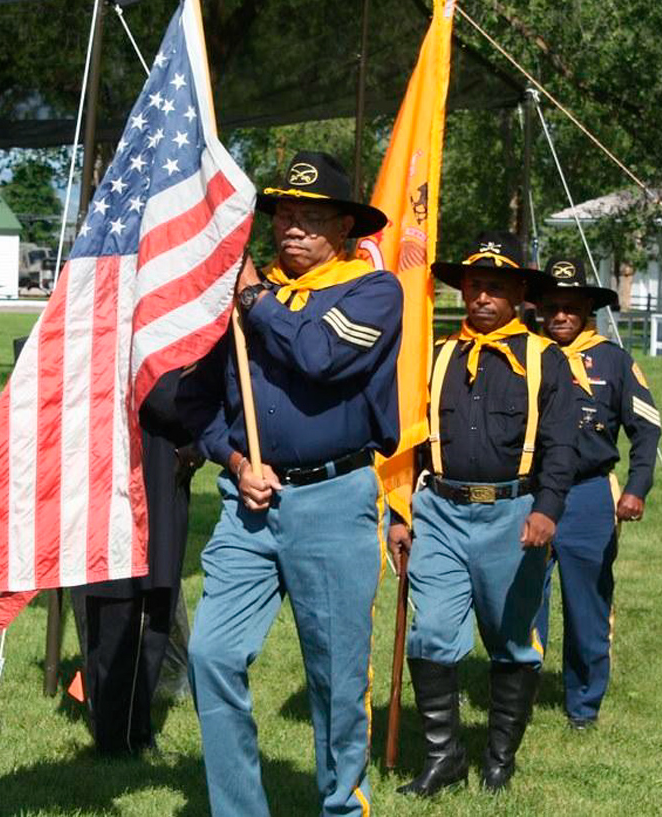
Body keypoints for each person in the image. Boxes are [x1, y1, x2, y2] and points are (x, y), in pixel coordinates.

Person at [180, 152, 401, 816]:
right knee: (211, 653)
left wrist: (252, 298)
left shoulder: (370, 291)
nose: (293, 229)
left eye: (312, 218)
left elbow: (320, 354)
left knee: (335, 677)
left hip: (335, 502)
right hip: (248, 508)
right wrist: (234, 460)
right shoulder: (245, 297)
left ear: (345, 228)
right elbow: (204, 407)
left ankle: (342, 805)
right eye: (285, 217)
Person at [389, 232, 576, 796]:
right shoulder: (439, 355)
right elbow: (410, 440)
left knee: (512, 639)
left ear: (521, 293)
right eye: (474, 286)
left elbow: (564, 445)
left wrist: (547, 508)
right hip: (440, 511)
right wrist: (400, 513)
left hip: (512, 515)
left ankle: (500, 757)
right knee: (433, 632)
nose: (482, 297)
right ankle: (443, 757)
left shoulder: (545, 359)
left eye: (496, 286)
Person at [529, 256, 661, 730]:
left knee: (588, 604)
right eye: (551, 307)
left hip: (588, 495)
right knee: (523, 600)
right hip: (531, 493)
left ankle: (583, 706)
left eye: (570, 307)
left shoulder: (613, 359)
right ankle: (518, 692)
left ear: (589, 309)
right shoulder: (526, 353)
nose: (559, 316)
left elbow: (646, 427)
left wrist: (638, 486)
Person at [77, 367, 203, 755]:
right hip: (137, 479)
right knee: (132, 611)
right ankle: (124, 739)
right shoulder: (139, 323)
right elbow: (165, 396)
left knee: (143, 609)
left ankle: (127, 731)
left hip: (149, 473)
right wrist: (212, 404)